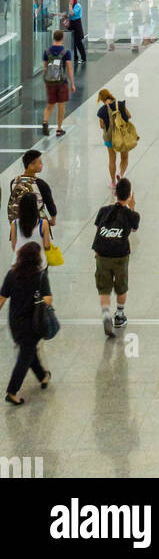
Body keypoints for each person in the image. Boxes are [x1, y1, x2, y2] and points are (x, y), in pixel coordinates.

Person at [0, 242, 53, 403]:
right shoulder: (40, 276)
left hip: (15, 322)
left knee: (28, 351)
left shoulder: (11, 274)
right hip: (33, 324)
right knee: (25, 357)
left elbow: (1, 299)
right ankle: (12, 391)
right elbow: (48, 299)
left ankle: (43, 376)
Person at [92, 177, 139, 337]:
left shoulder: (103, 211)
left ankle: (106, 314)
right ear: (129, 195)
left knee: (104, 288)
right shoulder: (131, 215)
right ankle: (119, 315)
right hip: (120, 255)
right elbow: (133, 229)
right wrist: (132, 208)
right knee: (121, 286)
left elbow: (98, 229)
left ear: (115, 193)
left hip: (102, 254)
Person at [97, 88, 135, 190]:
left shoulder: (101, 111)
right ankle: (121, 175)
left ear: (101, 99)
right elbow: (129, 116)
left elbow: (101, 126)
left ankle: (113, 182)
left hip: (109, 138)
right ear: (110, 95)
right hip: (122, 136)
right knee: (124, 157)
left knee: (112, 159)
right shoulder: (120, 104)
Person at [7, 151, 57, 231]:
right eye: (39, 162)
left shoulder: (14, 182)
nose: (42, 164)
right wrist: (53, 220)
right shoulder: (40, 184)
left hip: (19, 225)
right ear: (31, 166)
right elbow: (50, 204)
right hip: (38, 225)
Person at [42, 28, 74, 138]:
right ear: (62, 38)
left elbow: (45, 68)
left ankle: (45, 121)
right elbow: (69, 68)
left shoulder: (46, 52)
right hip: (62, 82)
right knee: (61, 106)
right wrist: (72, 83)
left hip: (50, 82)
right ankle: (59, 130)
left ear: (53, 38)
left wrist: (46, 81)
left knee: (50, 104)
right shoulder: (66, 52)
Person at [10, 192, 50, 265]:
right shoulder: (43, 223)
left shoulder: (14, 224)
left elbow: (13, 246)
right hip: (38, 264)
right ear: (35, 206)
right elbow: (46, 245)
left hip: (19, 264)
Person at [67, 0, 86, 66]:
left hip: (77, 25)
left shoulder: (78, 6)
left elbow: (72, 13)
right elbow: (69, 15)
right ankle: (75, 58)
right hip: (72, 24)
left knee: (79, 43)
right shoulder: (71, 6)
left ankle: (83, 58)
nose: (69, 0)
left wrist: (70, 6)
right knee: (73, 43)